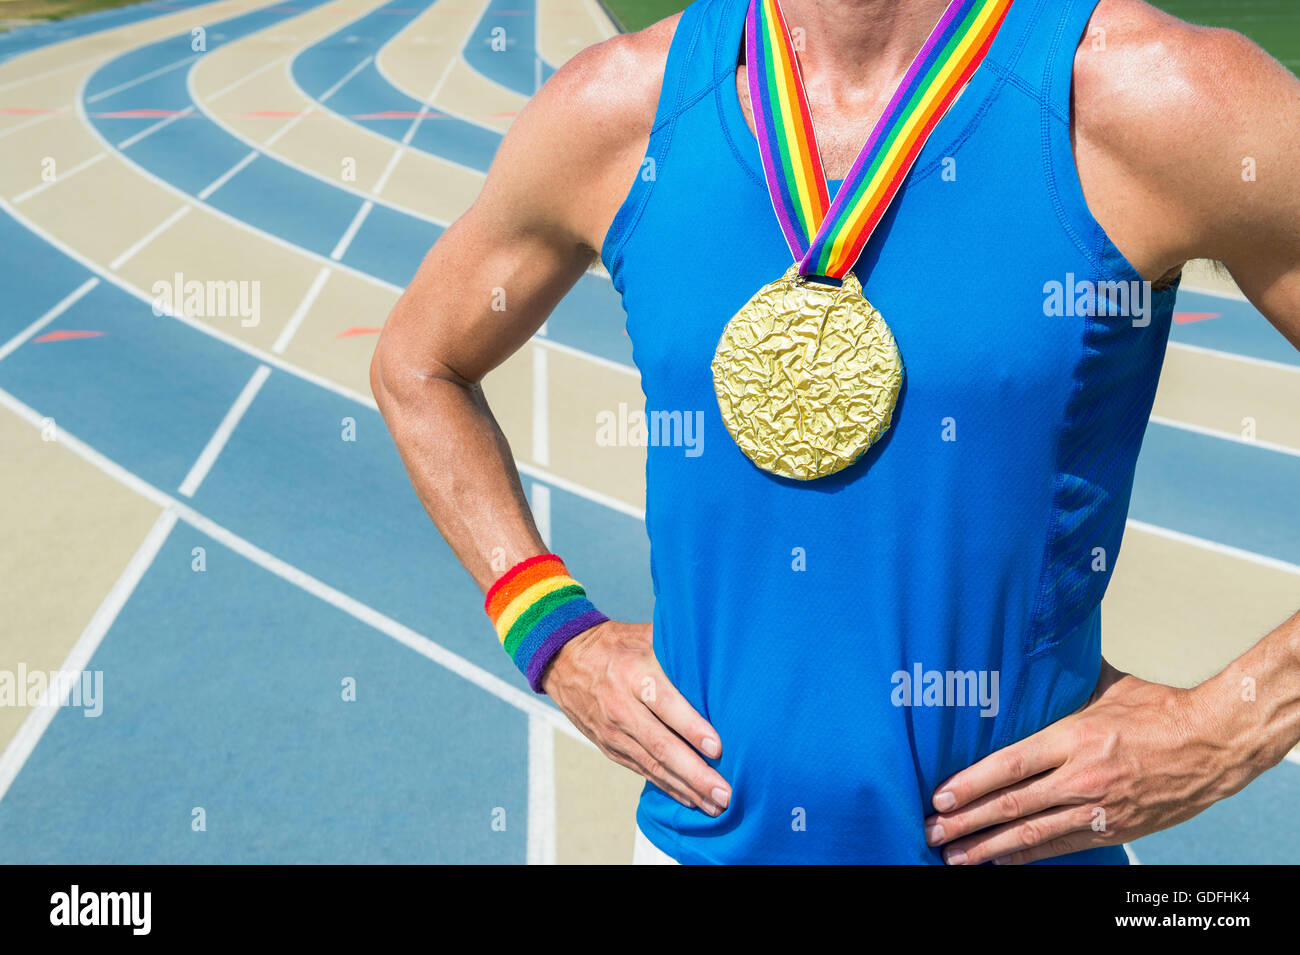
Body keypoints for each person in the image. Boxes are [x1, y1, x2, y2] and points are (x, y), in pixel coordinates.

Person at [371, 0, 1300, 864]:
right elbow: (419, 364)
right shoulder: (621, 108)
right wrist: (551, 630)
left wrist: (1229, 727)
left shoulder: (1150, 96)